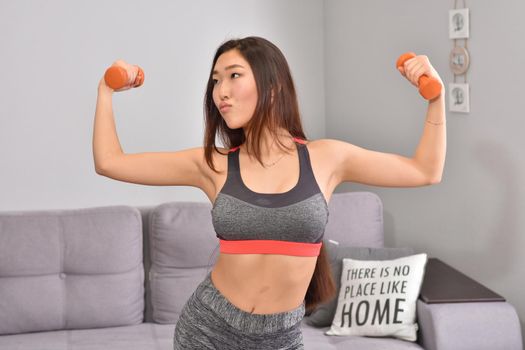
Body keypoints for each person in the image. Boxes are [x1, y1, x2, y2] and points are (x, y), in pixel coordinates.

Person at [93, 36, 446, 350]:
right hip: (207, 330)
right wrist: (105, 92)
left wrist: (436, 98)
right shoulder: (212, 164)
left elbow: (425, 171)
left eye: (233, 75)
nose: (220, 91)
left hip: (280, 338)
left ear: (273, 85)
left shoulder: (327, 158)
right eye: (215, 80)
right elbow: (110, 162)